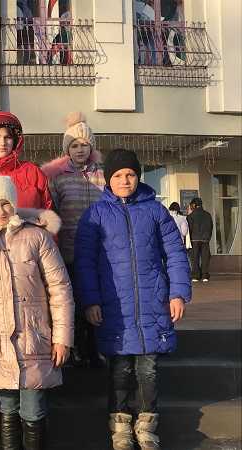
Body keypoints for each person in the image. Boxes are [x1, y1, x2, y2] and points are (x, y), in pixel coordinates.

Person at [74, 149, 191, 450]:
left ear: (138, 176)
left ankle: (147, 424)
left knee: (148, 369)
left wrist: (178, 293)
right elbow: (85, 262)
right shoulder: (96, 215)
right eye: (117, 175)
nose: (124, 180)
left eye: (130, 174)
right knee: (120, 369)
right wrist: (90, 301)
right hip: (114, 307)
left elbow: (176, 254)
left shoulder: (156, 212)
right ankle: (120, 424)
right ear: (108, 180)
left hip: (153, 303)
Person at [0, 175, 74, 449]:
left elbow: (60, 288)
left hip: (35, 338)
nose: (0, 211)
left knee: (33, 409)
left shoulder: (36, 236)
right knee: (6, 407)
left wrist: (62, 338)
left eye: (5, 204)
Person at [41, 111, 105, 368]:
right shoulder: (57, 177)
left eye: (85, 145)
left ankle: (95, 348)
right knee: (73, 301)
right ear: (67, 149)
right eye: (75, 145)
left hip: (98, 251)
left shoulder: (102, 174)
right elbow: (52, 212)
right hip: (69, 250)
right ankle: (76, 347)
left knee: (96, 300)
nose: (80, 150)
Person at [187, 197, 213, 282]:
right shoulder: (208, 215)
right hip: (205, 239)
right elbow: (210, 227)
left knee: (195, 258)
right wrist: (208, 237)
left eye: (191, 205)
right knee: (205, 258)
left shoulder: (190, 216)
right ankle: (205, 275)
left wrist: (189, 240)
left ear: (194, 205)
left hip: (194, 239)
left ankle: (195, 276)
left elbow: (189, 229)